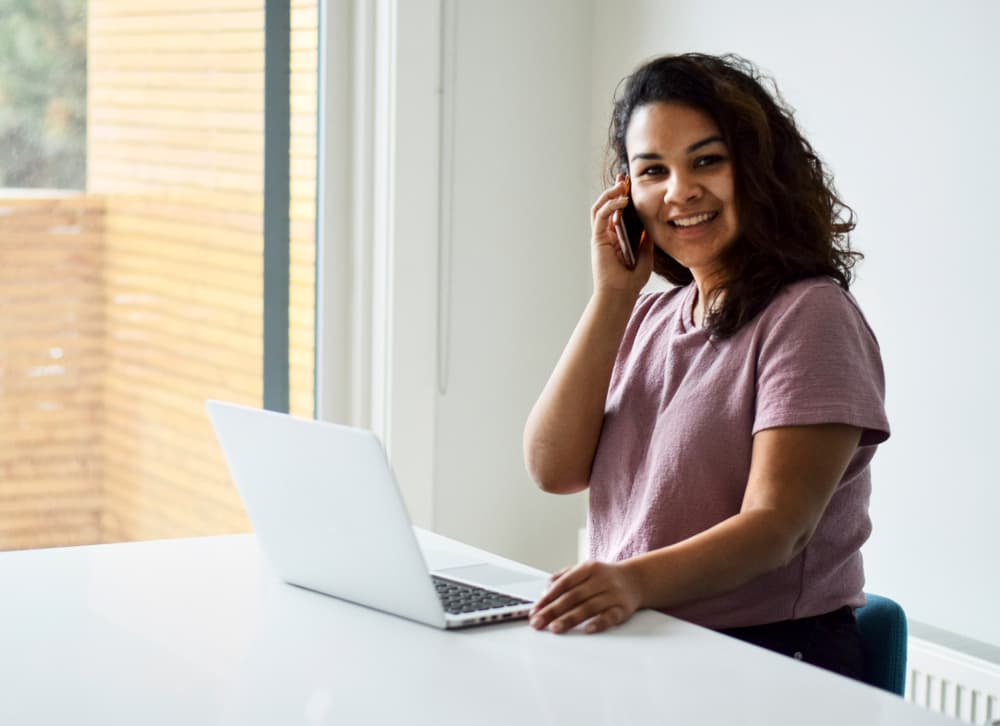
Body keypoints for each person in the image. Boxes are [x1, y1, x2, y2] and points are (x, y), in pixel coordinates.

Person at [521, 53, 889, 681]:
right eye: (652, 171)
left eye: (706, 161)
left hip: (771, 661)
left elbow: (778, 528)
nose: (680, 191)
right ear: (626, 196)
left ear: (758, 169)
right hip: (648, 647)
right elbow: (552, 469)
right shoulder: (651, 316)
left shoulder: (810, 315)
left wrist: (630, 583)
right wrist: (613, 295)